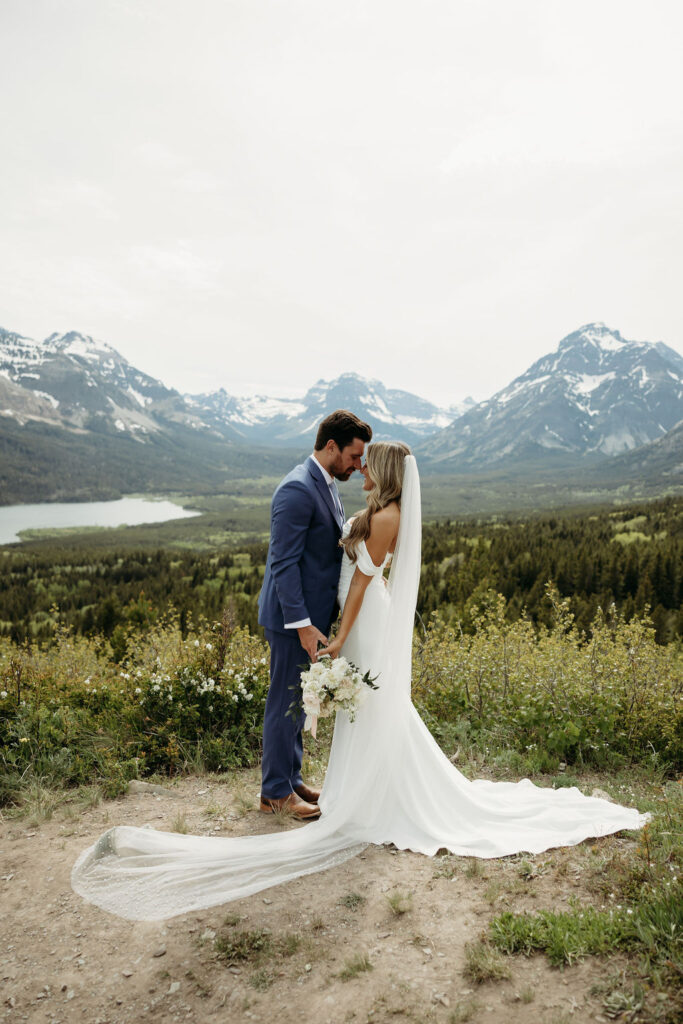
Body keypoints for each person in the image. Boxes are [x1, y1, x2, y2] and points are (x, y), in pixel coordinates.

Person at [71, 444, 649, 921]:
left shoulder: (389, 516)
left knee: (367, 706)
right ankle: (339, 787)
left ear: (388, 474)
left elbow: (362, 583)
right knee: (361, 709)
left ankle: (363, 793)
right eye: (358, 460)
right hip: (349, 615)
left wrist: (341, 638)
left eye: (370, 463)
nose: (362, 469)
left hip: (362, 619)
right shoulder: (369, 505)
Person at [257, 409, 372, 820]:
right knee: (282, 701)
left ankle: (291, 779)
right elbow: (283, 565)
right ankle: (273, 792)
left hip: (311, 618)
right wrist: (304, 625)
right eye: (354, 457)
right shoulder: (297, 490)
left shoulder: (325, 484)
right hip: (292, 620)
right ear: (330, 447)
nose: (358, 466)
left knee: (299, 700)